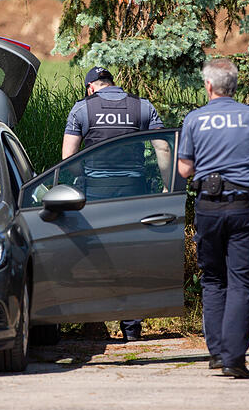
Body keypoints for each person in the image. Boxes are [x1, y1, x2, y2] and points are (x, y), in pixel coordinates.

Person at [177, 58, 249, 379]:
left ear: (208, 86)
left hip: (208, 207)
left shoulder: (194, 119)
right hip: (242, 206)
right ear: (234, 85)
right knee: (241, 280)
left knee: (213, 279)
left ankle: (217, 353)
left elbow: (183, 170)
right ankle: (234, 360)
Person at [62, 66, 171, 341]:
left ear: (91, 87)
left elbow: (68, 158)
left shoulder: (81, 109)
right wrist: (168, 186)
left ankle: (94, 324)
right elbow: (163, 147)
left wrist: (82, 178)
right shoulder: (142, 107)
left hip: (95, 196)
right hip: (133, 193)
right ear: (112, 83)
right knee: (130, 256)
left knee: (94, 256)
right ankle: (132, 329)